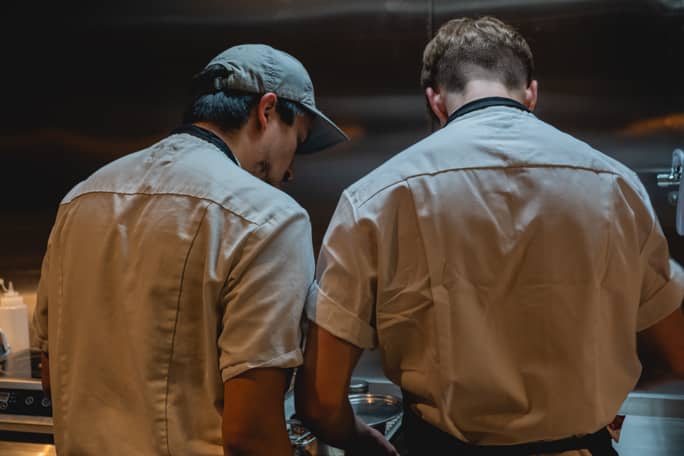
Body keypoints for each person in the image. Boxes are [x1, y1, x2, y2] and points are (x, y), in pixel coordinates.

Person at [295, 16, 684, 456]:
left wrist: (372, 446)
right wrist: (602, 391)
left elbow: (320, 401)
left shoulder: (374, 198)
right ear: (531, 94)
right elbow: (676, 353)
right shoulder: (618, 187)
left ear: (436, 102)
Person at [31, 44, 347, 455]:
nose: (291, 169)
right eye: (296, 141)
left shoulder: (81, 198)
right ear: (267, 111)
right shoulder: (270, 218)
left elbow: (51, 376)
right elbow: (251, 433)